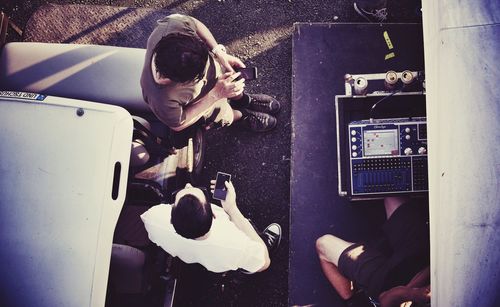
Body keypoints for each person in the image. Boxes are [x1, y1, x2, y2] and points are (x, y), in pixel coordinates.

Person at [140, 13, 281, 133]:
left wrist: (218, 52)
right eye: (199, 77)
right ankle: (242, 116)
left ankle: (245, 101)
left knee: (232, 84)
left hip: (218, 86)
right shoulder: (161, 100)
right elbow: (178, 124)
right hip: (205, 103)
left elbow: (194, 23)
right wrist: (216, 95)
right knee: (223, 114)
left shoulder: (172, 26)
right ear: (167, 80)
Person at [140, 180, 282, 273]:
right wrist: (232, 209)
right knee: (254, 244)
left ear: (171, 218)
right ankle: (260, 245)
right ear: (214, 215)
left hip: (200, 258)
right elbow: (264, 263)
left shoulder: (153, 218)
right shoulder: (235, 244)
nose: (188, 184)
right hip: (228, 256)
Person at [315, 197, 430, 306]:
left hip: (386, 281)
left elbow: (386, 299)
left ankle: (353, 302)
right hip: (419, 254)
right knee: (392, 188)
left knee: (323, 244)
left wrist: (415, 293)